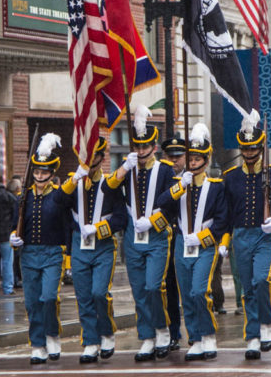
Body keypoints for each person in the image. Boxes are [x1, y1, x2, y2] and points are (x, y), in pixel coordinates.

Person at [106, 105, 175, 362]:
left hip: (156, 237)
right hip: (133, 238)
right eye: (137, 147)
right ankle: (147, 337)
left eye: (146, 147)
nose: (142, 152)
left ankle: (162, 330)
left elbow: (173, 206)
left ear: (154, 147)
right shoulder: (129, 169)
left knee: (153, 286)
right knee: (139, 290)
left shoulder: (166, 170)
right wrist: (124, 168)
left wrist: (154, 221)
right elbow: (108, 189)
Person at [223, 112, 271, 360]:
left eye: (253, 148)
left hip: (264, 237)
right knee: (247, 289)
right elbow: (226, 214)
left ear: (260, 147)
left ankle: (267, 324)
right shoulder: (230, 178)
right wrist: (224, 241)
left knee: (261, 281)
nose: (250, 153)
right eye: (246, 148)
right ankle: (252, 336)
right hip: (240, 236)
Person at [157, 122, 227, 361]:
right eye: (191, 158)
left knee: (199, 291)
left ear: (206, 161)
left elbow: (221, 222)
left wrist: (201, 237)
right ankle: (195, 338)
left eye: (198, 159)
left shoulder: (216, 187)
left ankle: (208, 335)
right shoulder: (180, 184)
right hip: (180, 245)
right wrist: (181, 185)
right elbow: (163, 202)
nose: (194, 163)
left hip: (205, 246)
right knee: (186, 294)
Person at [61, 137, 128, 363]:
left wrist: (99, 229)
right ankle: (90, 341)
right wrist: (73, 181)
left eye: (93, 158)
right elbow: (58, 205)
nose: (89, 162)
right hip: (79, 245)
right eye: (85, 158)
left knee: (99, 292)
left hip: (103, 245)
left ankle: (107, 333)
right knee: (83, 296)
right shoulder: (73, 183)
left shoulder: (111, 184)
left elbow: (120, 218)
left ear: (101, 158)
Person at [10, 133, 69, 365]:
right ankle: (37, 344)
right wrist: (13, 237)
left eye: (44, 173)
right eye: (37, 172)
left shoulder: (58, 196)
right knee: (32, 302)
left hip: (52, 253)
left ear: (52, 174)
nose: (40, 176)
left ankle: (52, 335)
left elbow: (66, 225)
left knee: (48, 297)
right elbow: (15, 224)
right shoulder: (23, 197)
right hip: (29, 254)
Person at [160, 135, 186, 349]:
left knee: (192, 289)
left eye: (178, 156)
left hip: (190, 239)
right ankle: (173, 331)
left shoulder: (197, 176)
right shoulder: (162, 178)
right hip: (167, 237)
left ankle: (200, 333)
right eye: (170, 156)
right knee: (168, 288)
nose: (174, 161)